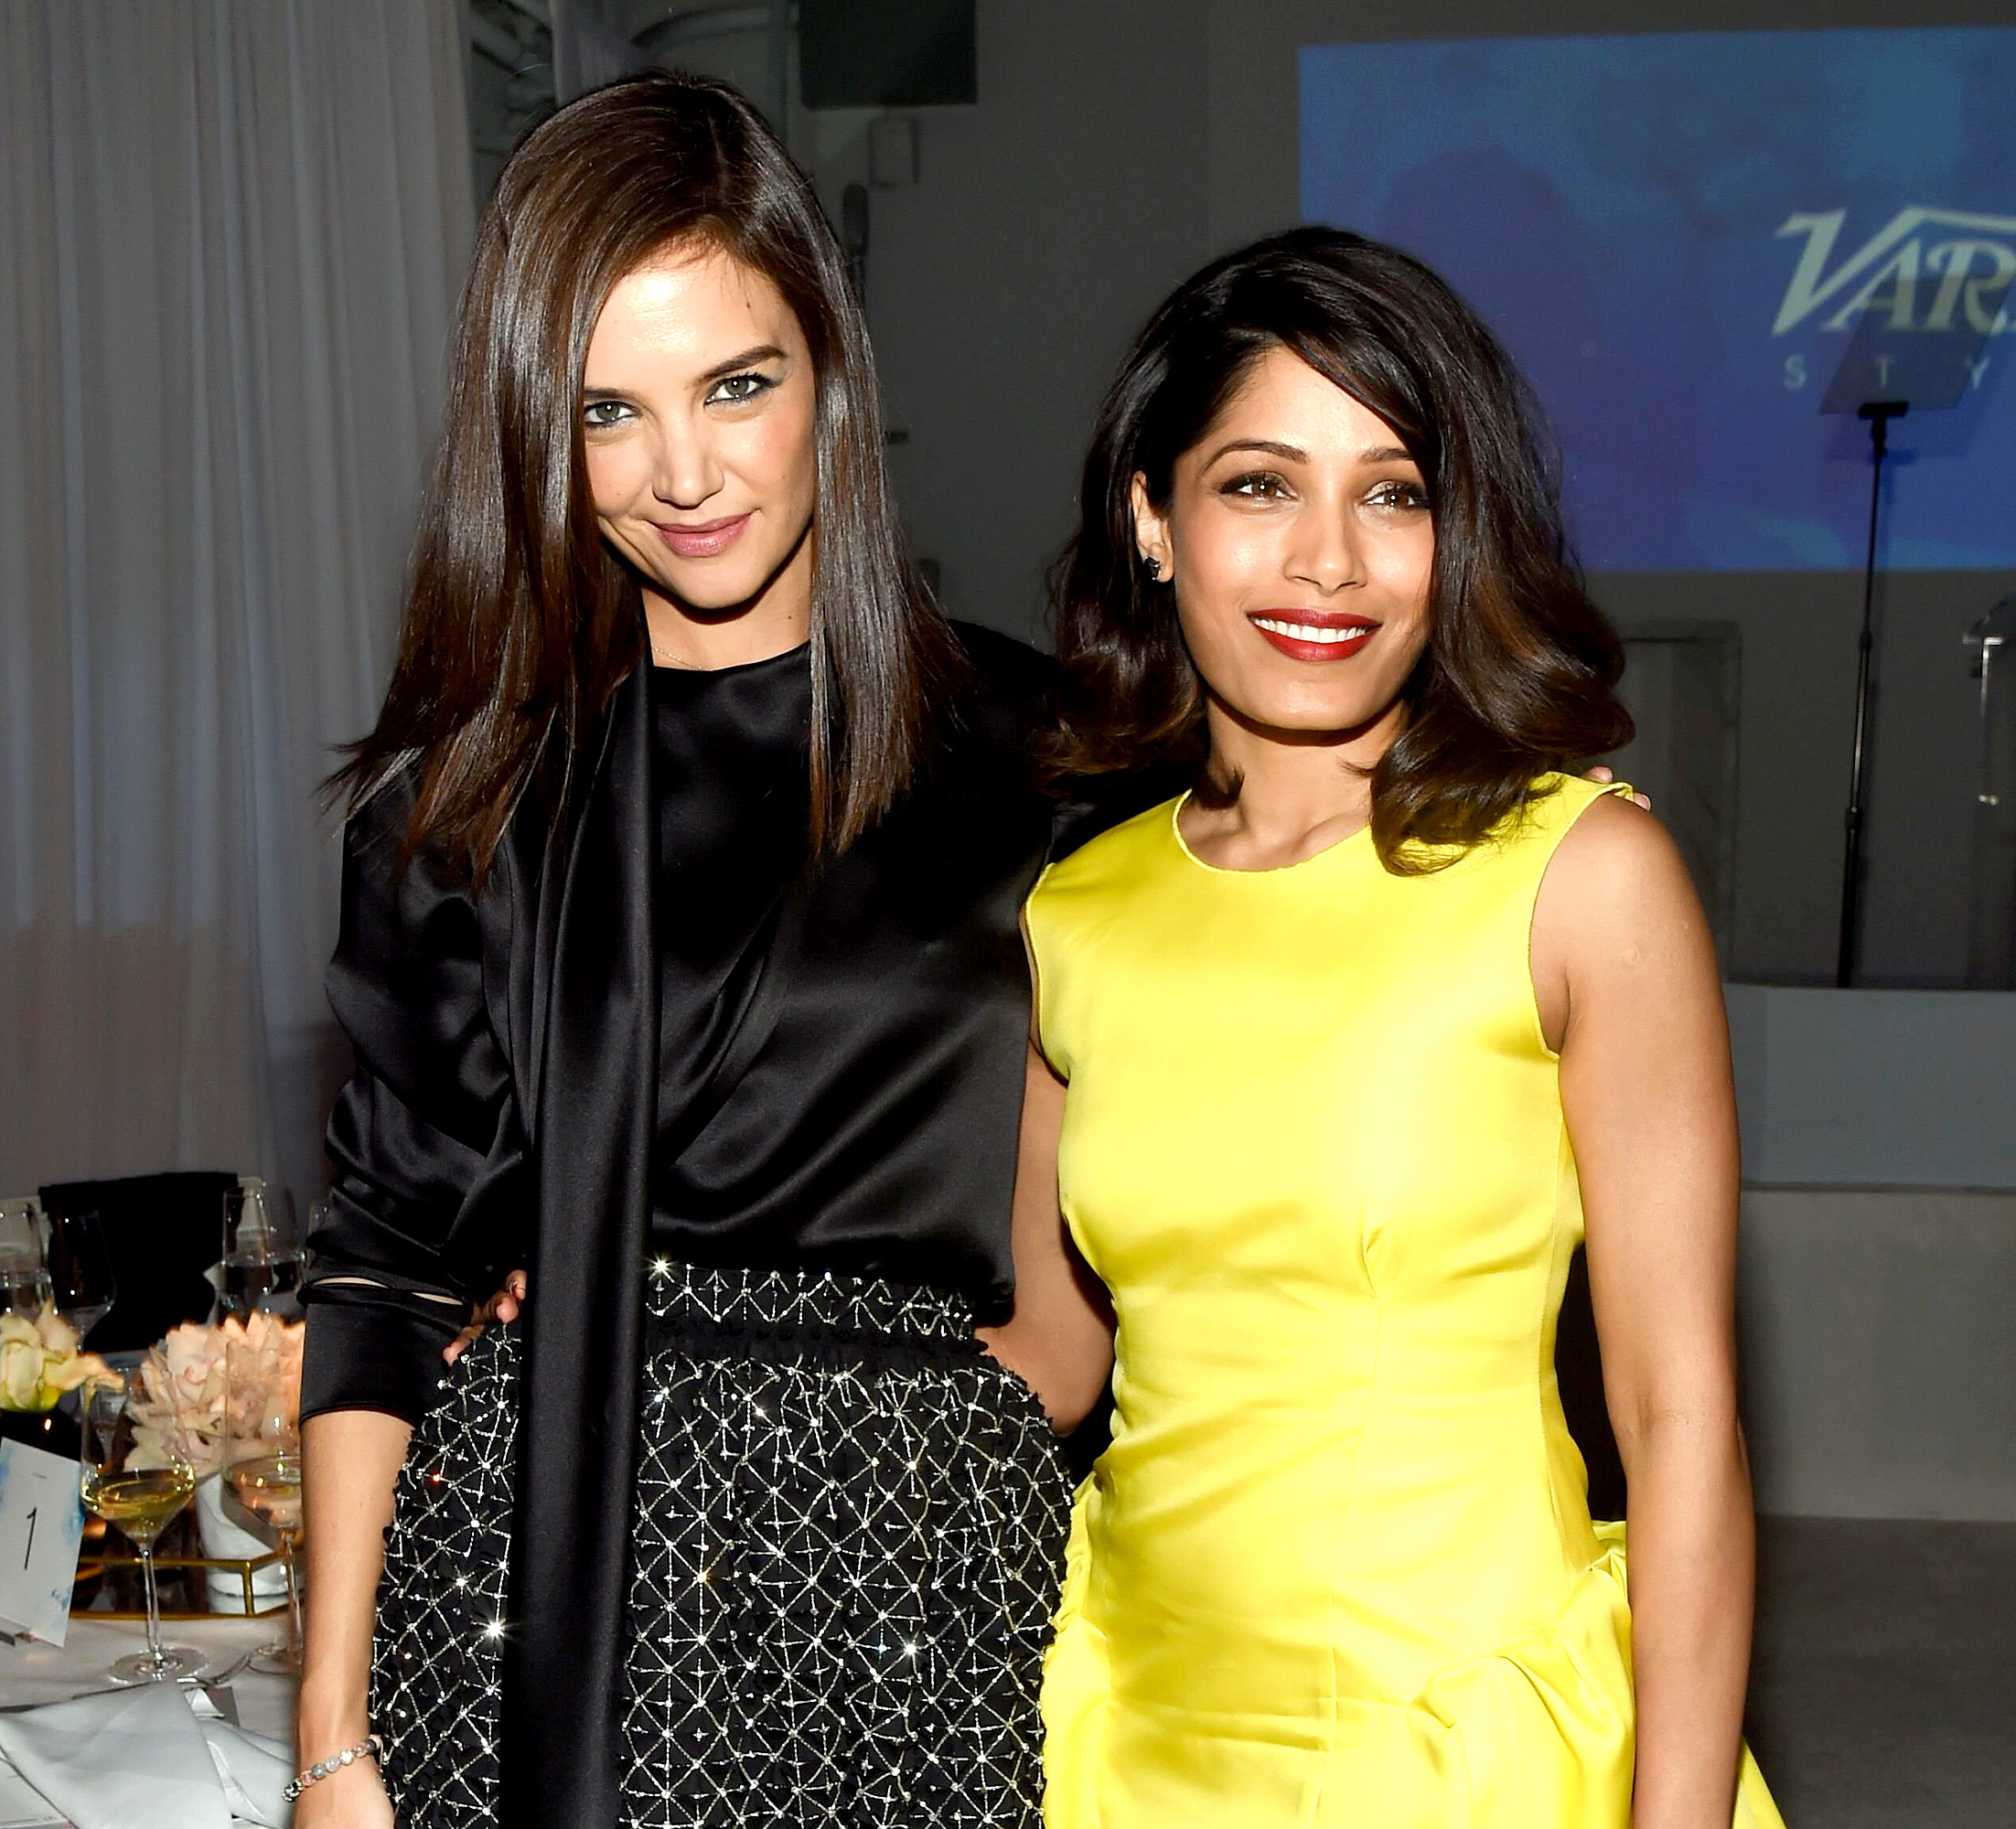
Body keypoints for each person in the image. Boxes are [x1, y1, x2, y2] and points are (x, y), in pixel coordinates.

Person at [295, 75, 1109, 1829]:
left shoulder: (1044, 756)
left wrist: (983, 1427)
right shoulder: (466, 799)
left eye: (738, 385)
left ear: (832, 369)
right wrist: (332, 1742)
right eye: (608, 412)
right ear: (536, 433)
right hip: (520, 1585)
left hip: (914, 1586)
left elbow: (1142, 1176)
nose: (684, 475)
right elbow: (381, 1275)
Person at [1015, 229, 1786, 1827]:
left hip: (1467, 1752)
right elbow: (1046, 1361)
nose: (1328, 563)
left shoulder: (1584, 878)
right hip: (1130, 1741)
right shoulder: (1074, 913)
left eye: (1393, 493)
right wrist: (651, 1334)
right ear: (1154, 519)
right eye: (1258, 486)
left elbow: (1681, 1425)